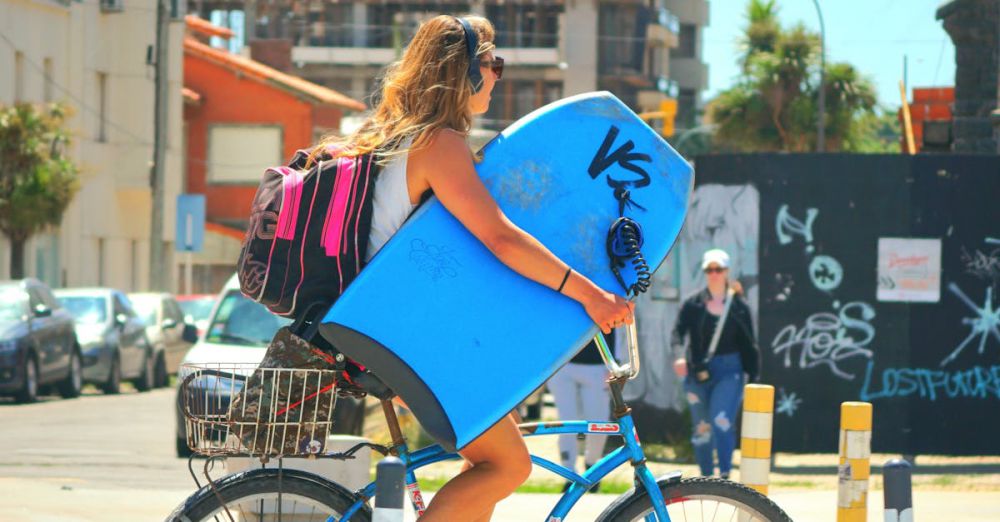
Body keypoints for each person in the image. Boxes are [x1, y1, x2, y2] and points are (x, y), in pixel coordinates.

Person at [310, 15, 634, 521]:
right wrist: (589, 293)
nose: (499, 74)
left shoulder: (405, 137)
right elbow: (502, 239)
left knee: (485, 468)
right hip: (404, 337)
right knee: (508, 467)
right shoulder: (439, 144)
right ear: (464, 72)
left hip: (387, 329)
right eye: (492, 63)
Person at [671, 248, 759, 479]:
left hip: (730, 370)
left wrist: (754, 377)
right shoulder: (693, 304)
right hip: (696, 370)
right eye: (709, 270)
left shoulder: (739, 306)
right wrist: (680, 356)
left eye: (718, 269)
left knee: (721, 420)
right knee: (701, 428)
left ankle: (725, 476)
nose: (714, 274)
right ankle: (706, 478)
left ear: (727, 271)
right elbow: (678, 334)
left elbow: (750, 343)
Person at [547, 331, 614, 492]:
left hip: (597, 365)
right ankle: (569, 474)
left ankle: (592, 464)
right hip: (562, 363)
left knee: (599, 423)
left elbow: (618, 328)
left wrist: (614, 362)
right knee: (567, 421)